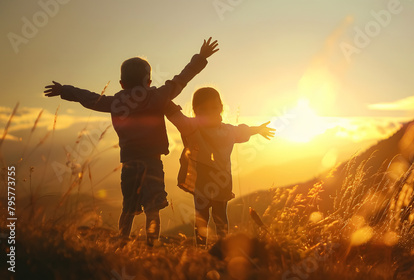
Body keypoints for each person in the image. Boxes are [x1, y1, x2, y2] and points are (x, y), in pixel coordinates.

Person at [44, 38, 219, 246]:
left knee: (127, 208)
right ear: (149, 82)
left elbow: (90, 98)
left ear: (122, 84)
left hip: (129, 163)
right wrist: (200, 58)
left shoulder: (116, 102)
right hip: (152, 163)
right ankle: (152, 244)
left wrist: (64, 90)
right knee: (152, 209)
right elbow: (181, 79)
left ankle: (122, 241)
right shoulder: (157, 96)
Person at [164, 87, 275, 248]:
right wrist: (161, 99)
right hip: (208, 182)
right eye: (203, 109)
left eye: (213, 108)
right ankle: (204, 247)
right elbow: (175, 115)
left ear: (221, 107)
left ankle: (221, 247)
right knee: (204, 217)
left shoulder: (223, 130)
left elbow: (242, 130)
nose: (209, 112)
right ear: (195, 111)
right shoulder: (196, 127)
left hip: (216, 182)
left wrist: (257, 129)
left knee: (218, 216)